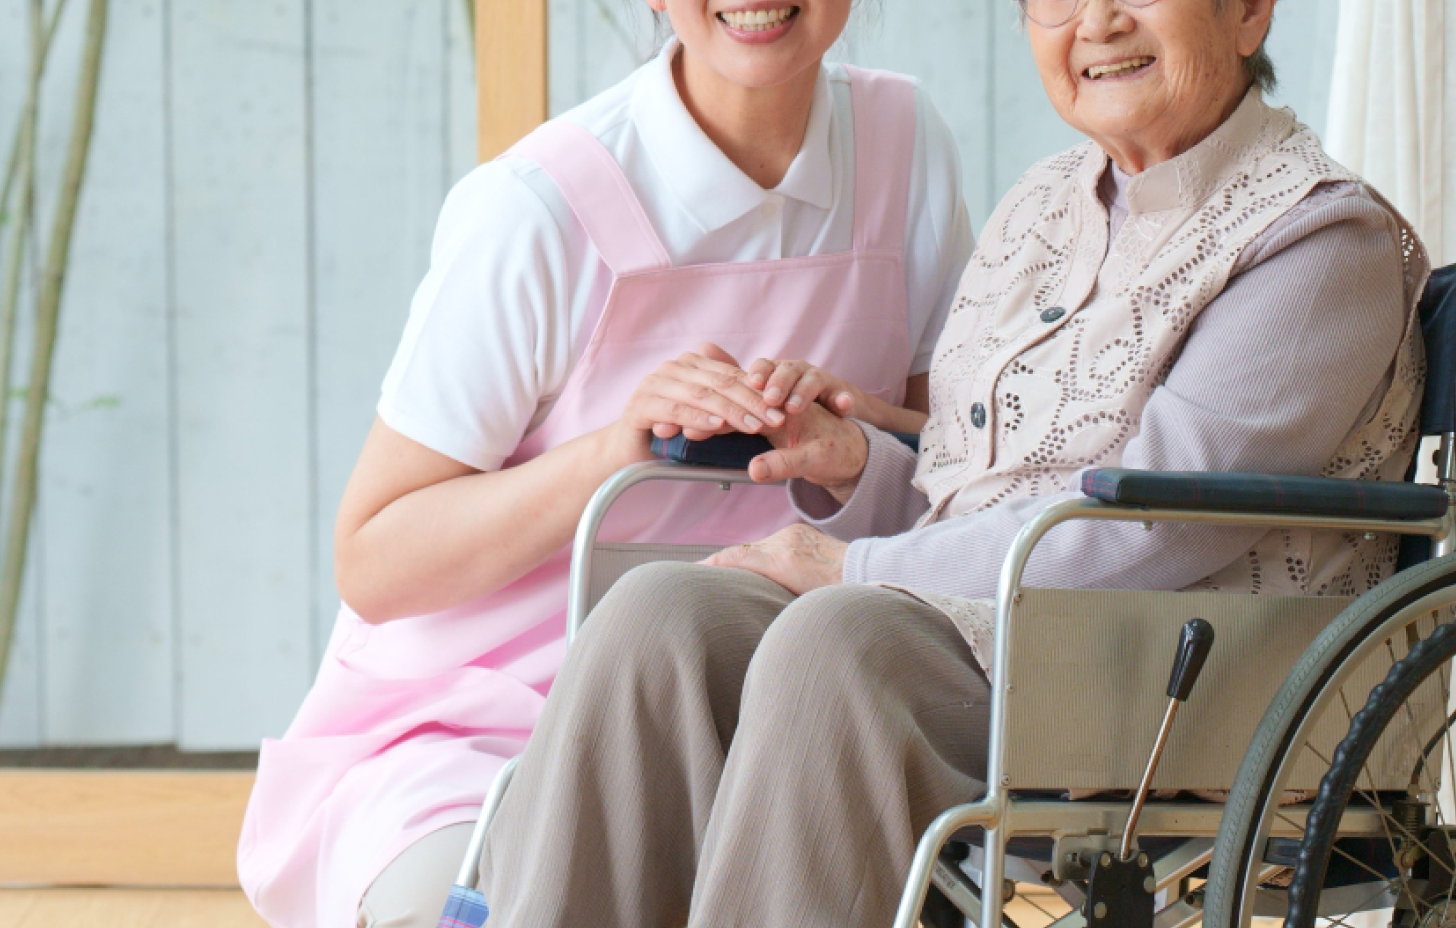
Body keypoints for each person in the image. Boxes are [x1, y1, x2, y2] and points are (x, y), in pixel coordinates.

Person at [472, 1, 1433, 927]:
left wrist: (856, 567)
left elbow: (1153, 524)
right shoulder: (1043, 209)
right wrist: (858, 469)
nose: (1095, 23)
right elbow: (969, 493)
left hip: (1181, 681)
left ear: (1249, 12)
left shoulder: (1320, 239)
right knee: (662, 619)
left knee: (838, 646)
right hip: (983, 632)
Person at [236, 1, 975, 926]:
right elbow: (375, 559)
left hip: (785, 706)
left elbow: (954, 465)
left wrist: (855, 434)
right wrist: (615, 446)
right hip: (492, 717)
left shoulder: (906, 146)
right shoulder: (539, 208)